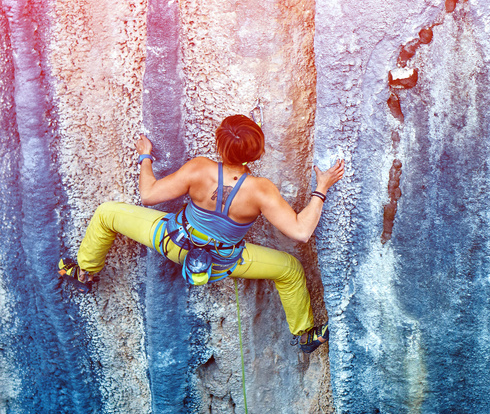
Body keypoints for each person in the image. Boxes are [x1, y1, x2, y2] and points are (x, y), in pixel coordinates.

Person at [58, 114, 345, 353]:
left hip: (173, 241)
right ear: (258, 152)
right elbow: (301, 231)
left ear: (219, 146)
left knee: (107, 213)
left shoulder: (199, 168)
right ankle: (305, 334)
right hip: (223, 262)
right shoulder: (261, 191)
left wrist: (145, 157)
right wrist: (322, 187)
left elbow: (148, 195)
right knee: (290, 269)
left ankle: (85, 273)